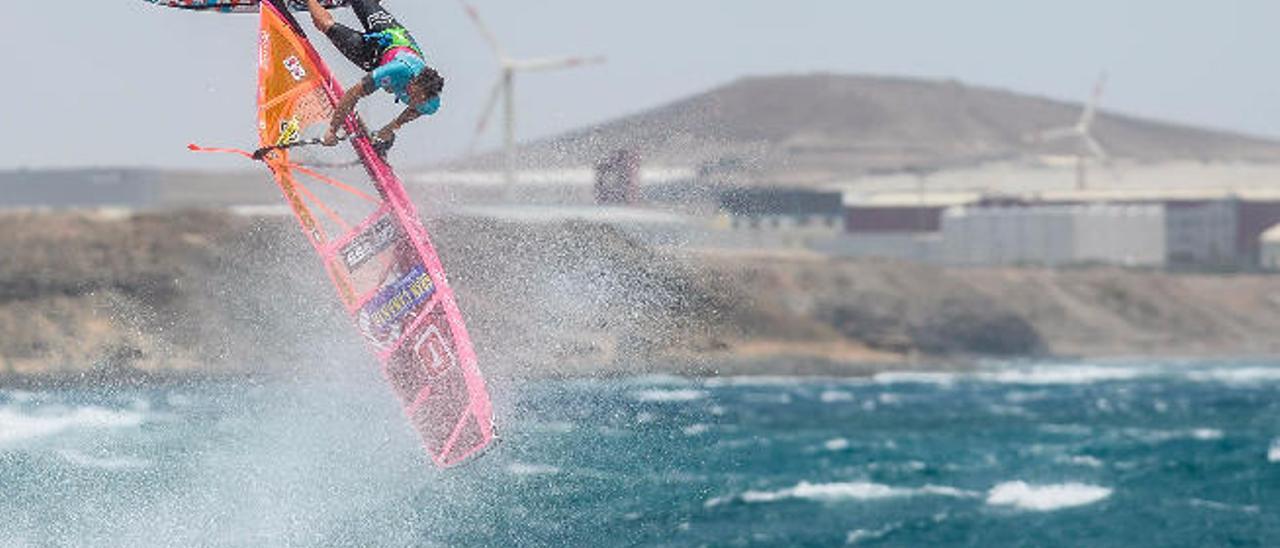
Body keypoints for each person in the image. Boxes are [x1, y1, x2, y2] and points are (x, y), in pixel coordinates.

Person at [304, 0, 444, 151]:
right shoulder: (397, 70)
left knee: (328, 27)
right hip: (388, 36)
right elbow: (353, 93)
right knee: (327, 21)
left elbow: (416, 110)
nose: (415, 101)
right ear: (414, 81)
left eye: (420, 101)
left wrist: (392, 126)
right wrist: (332, 129)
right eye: (417, 96)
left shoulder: (430, 103)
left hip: (370, 58)